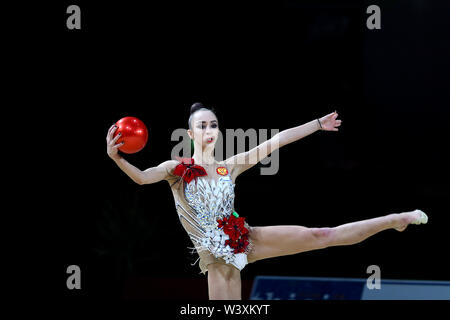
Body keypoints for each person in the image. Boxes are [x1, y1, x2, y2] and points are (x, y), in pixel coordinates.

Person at [106, 102, 428, 300]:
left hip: (244, 240)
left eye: (213, 125)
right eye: (201, 125)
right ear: (190, 133)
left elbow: (276, 141)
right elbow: (143, 177)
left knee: (321, 235)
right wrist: (117, 159)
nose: (209, 130)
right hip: (215, 258)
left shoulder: (228, 167)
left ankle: (395, 220)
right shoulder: (176, 169)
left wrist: (317, 125)